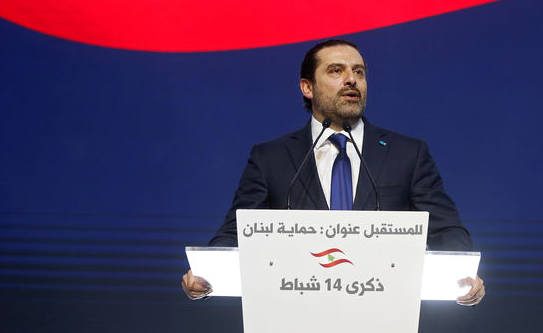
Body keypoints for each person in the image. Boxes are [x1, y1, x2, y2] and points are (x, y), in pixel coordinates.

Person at [182, 39, 485, 305]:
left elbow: (445, 229)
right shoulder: (270, 157)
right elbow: (237, 232)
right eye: (336, 71)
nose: (351, 79)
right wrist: (207, 274)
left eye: (359, 72)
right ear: (307, 87)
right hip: (297, 313)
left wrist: (462, 274)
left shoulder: (408, 153)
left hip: (382, 315)